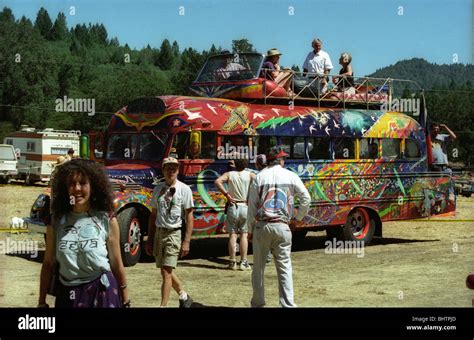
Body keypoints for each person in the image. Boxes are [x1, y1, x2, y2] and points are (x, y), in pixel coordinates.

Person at [38, 159, 130, 308]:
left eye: (83, 183)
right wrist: (42, 301)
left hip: (102, 293)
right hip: (67, 296)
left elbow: (116, 263)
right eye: (71, 184)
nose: (77, 188)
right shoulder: (55, 222)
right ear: (65, 188)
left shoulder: (106, 219)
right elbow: (48, 263)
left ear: (93, 186)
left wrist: (125, 299)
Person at [247, 146, 311, 307]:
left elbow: (251, 207)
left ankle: (258, 303)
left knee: (258, 269)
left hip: (263, 226)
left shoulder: (259, 177)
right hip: (283, 226)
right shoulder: (291, 176)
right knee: (284, 267)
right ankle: (288, 304)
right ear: (280, 160)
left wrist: (249, 230)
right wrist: (297, 218)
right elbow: (306, 198)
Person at [145, 157, 194, 308]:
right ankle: (183, 295)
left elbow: (189, 215)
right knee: (163, 269)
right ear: (163, 170)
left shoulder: (184, 189)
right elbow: (153, 214)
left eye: (174, 168)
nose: (171, 171)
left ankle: (163, 305)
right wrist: (150, 238)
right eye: (168, 168)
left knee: (167, 272)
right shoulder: (158, 189)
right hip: (159, 232)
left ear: (178, 170)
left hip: (174, 233)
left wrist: (186, 241)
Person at [215, 158, 256, 270]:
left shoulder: (229, 174)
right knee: (244, 235)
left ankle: (232, 262)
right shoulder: (250, 174)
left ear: (235, 164)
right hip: (245, 206)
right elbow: (259, 182)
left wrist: (227, 194)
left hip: (233, 206)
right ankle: (243, 262)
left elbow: (217, 181)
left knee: (232, 235)